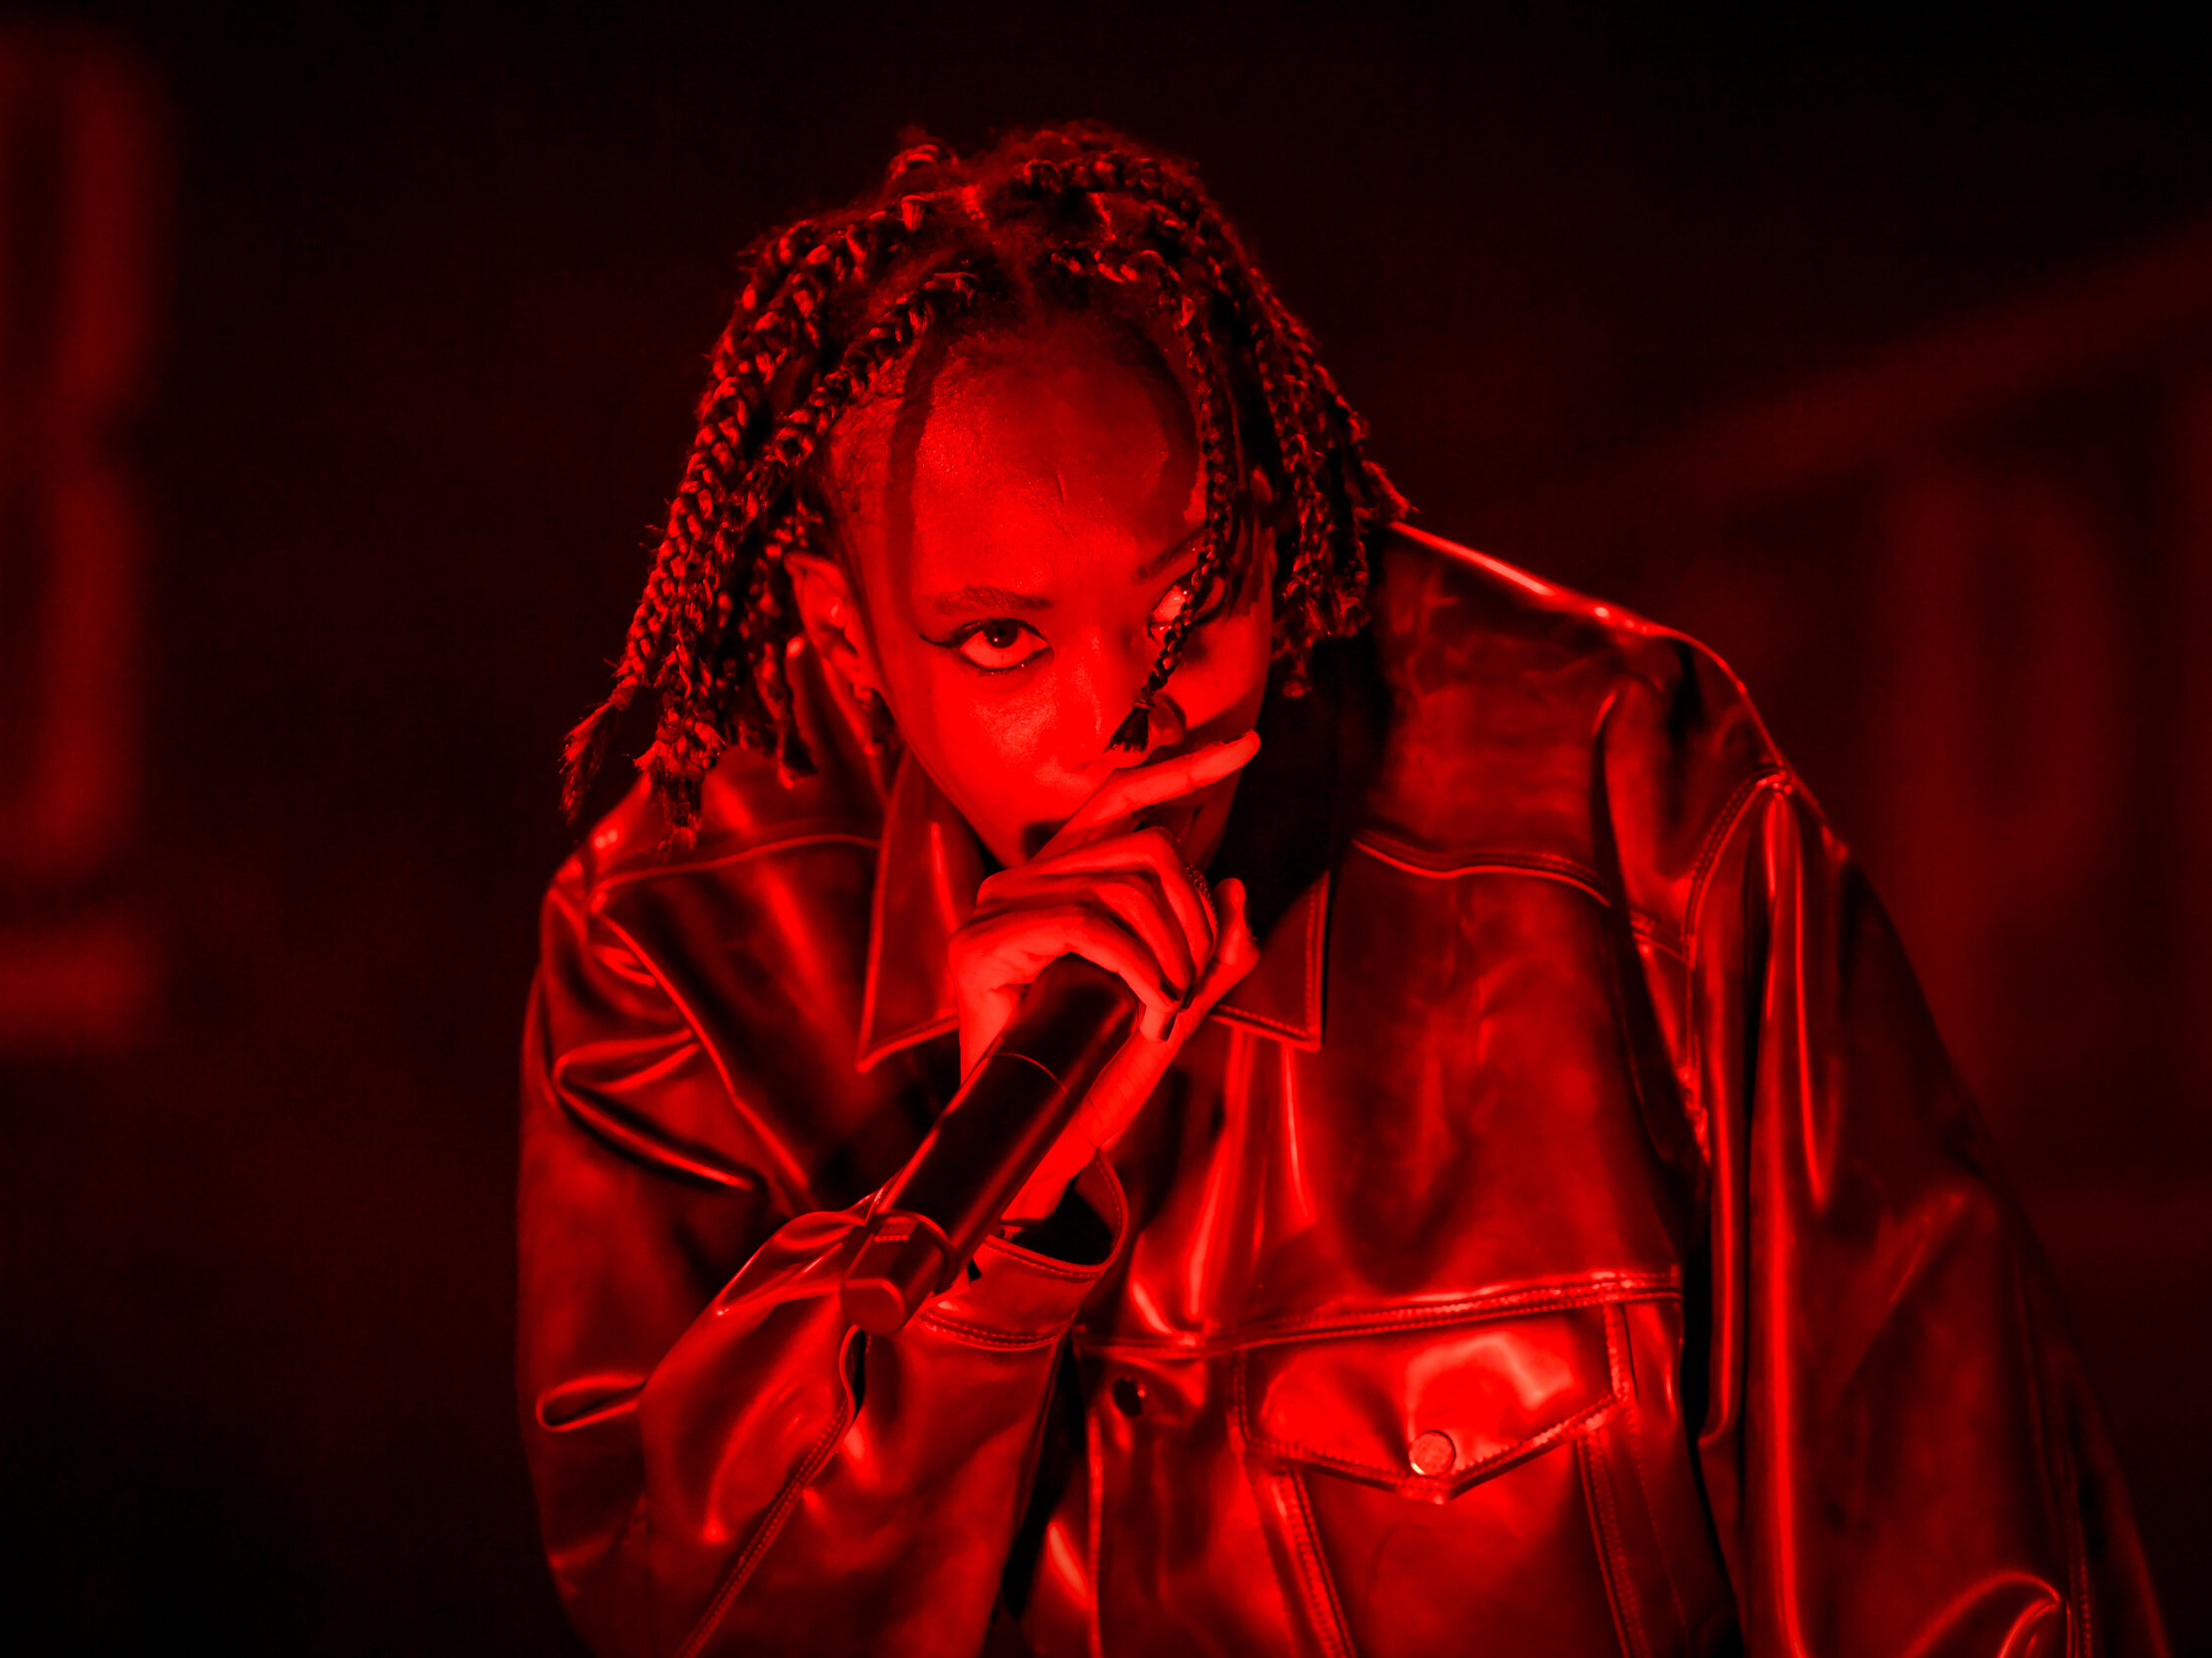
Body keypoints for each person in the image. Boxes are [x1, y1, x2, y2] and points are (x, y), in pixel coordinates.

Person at [516, 125, 2164, 1657]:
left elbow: (1954, 1561)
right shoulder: (675, 943)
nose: (1124, 718)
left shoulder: (1614, 797)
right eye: (1004, 639)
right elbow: (678, 1613)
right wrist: (994, 1220)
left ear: (1272, 521)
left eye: (1190, 596)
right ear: (844, 629)